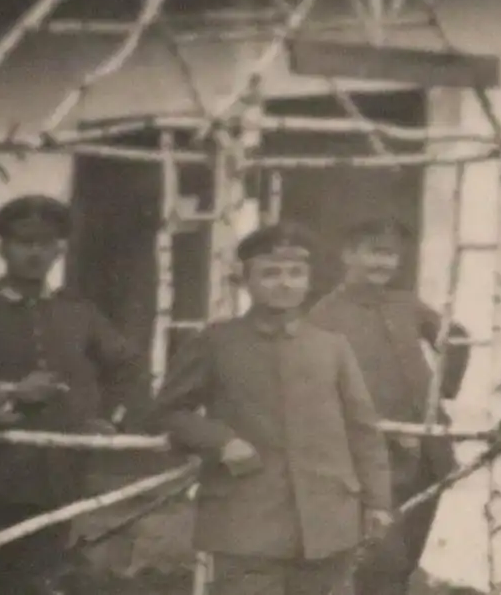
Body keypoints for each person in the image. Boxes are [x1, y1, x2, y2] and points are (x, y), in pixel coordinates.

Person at [0, 194, 149, 594]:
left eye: (46, 242)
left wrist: (105, 417)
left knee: (34, 583)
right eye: (24, 242)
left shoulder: (79, 313)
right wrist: (7, 393)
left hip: (53, 480)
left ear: (59, 249)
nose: (35, 252)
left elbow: (128, 367)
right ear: (3, 248)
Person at [151, 222, 393, 595]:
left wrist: (378, 502)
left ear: (309, 280)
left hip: (328, 521)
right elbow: (168, 410)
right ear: (246, 280)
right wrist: (221, 441)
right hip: (245, 520)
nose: (285, 283)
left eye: (296, 273)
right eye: (270, 273)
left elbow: (363, 430)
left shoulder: (332, 347)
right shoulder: (216, 342)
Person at [307, 216, 471, 595]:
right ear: (348, 254)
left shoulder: (406, 303)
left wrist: (443, 391)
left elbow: (457, 338)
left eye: (392, 255)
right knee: (380, 560)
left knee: (406, 558)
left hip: (426, 451)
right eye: (374, 253)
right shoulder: (324, 315)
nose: (384, 264)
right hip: (368, 454)